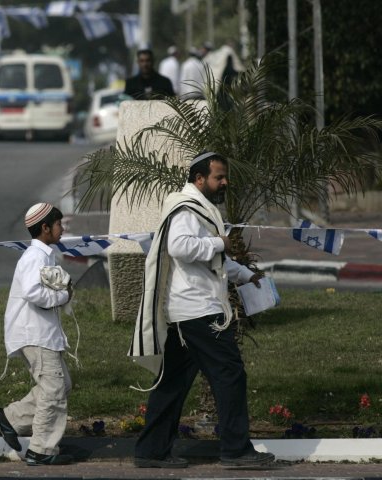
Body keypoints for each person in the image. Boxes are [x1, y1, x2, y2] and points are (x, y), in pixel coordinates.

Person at [130, 151, 275, 468]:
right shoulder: (186, 208)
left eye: (225, 177)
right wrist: (220, 243)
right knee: (229, 375)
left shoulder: (201, 208)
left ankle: (151, 451)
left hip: (187, 311)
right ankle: (236, 451)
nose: (225, 182)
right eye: (218, 177)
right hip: (199, 311)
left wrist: (246, 275)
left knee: (172, 382)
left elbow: (213, 262)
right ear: (199, 179)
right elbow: (179, 247)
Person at [0, 203, 76, 466]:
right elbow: (32, 292)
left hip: (41, 333)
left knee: (62, 385)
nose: (62, 229)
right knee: (54, 389)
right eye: (59, 224)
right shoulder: (34, 257)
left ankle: (10, 418)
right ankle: (41, 449)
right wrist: (63, 296)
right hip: (34, 333)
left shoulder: (44, 255)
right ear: (45, 228)